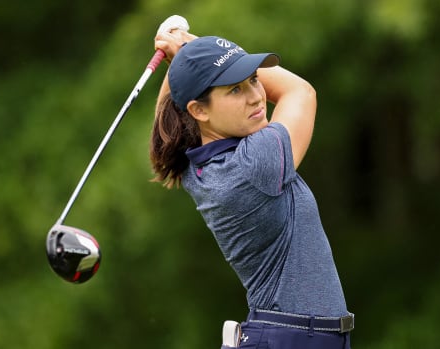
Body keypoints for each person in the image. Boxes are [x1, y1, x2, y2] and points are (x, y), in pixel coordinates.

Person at [150, 25, 353, 349]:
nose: (257, 96)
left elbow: (166, 122)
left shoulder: (195, 165)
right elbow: (300, 92)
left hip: (287, 336)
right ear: (198, 110)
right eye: (234, 89)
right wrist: (191, 44)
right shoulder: (254, 163)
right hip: (294, 339)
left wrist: (185, 58)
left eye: (254, 79)